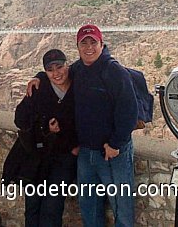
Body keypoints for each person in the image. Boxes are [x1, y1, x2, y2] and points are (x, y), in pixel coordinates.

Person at [28, 25, 138, 227]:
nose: (89, 48)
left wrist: (115, 144)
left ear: (101, 44)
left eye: (93, 42)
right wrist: (40, 76)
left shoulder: (114, 71)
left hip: (112, 152)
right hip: (86, 153)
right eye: (84, 43)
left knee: (121, 207)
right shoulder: (78, 69)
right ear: (77, 47)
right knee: (89, 205)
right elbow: (57, 73)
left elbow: (129, 111)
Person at [14, 49, 78, 227]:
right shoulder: (39, 89)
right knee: (33, 205)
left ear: (67, 65)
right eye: (50, 69)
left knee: (52, 207)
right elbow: (20, 119)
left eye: (60, 67)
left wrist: (76, 148)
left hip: (64, 158)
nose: (56, 73)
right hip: (39, 156)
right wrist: (45, 128)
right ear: (46, 71)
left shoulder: (78, 86)